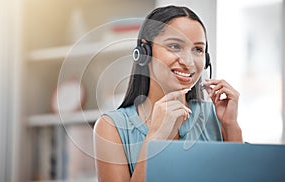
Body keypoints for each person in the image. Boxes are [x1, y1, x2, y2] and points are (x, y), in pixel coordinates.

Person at [94, 5, 243, 182]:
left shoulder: (215, 117)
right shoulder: (111, 128)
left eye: (198, 49)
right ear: (144, 52)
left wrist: (230, 126)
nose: (188, 62)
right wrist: (155, 137)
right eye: (174, 46)